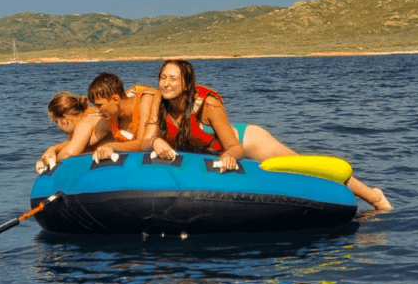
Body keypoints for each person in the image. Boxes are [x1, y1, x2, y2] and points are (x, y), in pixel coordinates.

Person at [141, 59, 393, 211]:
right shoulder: (158, 101)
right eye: (163, 77)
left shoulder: (208, 104)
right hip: (211, 148)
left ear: (186, 83)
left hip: (246, 139)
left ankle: (374, 196)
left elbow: (234, 146)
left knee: (302, 167)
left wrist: (230, 155)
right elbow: (147, 138)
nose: (166, 83)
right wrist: (156, 140)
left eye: (173, 78)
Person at [86, 73, 157, 162]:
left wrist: (110, 146)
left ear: (115, 99)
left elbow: (143, 144)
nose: (97, 110)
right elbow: (85, 142)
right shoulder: (112, 116)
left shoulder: (146, 101)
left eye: (99, 105)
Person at [35, 91, 110, 172]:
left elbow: (68, 155)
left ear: (65, 117)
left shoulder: (86, 123)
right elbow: (80, 141)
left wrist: (48, 164)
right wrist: (53, 149)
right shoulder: (94, 115)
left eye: (56, 121)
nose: (58, 127)